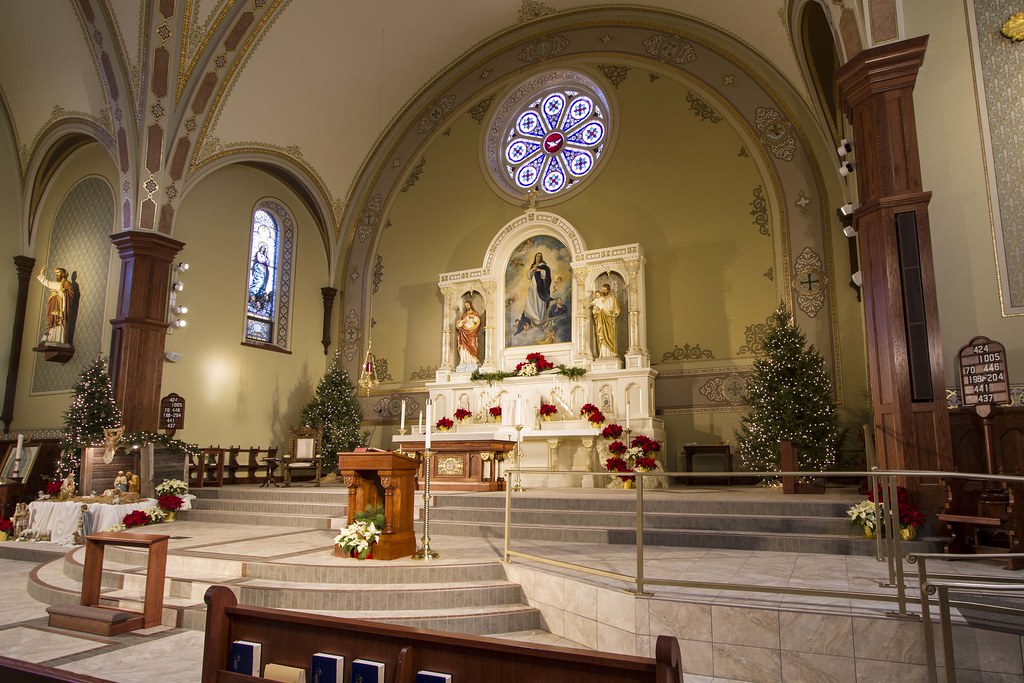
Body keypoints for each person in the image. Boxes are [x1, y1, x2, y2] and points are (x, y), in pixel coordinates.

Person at [514, 252, 552, 335]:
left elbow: (547, 274)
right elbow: (529, 276)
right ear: (535, 257)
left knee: (539, 300)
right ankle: (532, 317)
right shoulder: (533, 266)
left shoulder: (543, 266)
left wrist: (540, 270)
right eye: (537, 256)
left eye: (539, 256)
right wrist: (532, 270)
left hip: (540, 287)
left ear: (541, 257)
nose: (538, 257)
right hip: (533, 286)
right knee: (531, 300)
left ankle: (539, 318)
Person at [37, 265, 74, 344]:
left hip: (61, 307)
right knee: (52, 320)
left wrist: (60, 292)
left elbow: (70, 294)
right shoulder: (55, 284)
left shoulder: (66, 283)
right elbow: (47, 282)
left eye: (58, 272)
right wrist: (41, 273)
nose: (57, 274)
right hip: (53, 305)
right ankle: (52, 338)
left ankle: (59, 339)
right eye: (56, 273)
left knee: (59, 321)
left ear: (63, 273)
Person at [591, 283, 620, 357]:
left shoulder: (612, 298)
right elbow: (594, 310)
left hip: (609, 320)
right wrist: (596, 311)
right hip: (601, 319)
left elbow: (616, 309)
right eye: (602, 290)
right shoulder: (599, 299)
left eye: (605, 290)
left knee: (610, 336)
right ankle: (603, 354)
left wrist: (614, 313)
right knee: (602, 336)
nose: (603, 291)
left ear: (608, 290)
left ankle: (611, 352)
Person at [455, 300, 481, 368]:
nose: (466, 306)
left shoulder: (475, 313)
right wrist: (461, 323)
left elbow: (478, 321)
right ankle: (464, 361)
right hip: (464, 332)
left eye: (467, 305)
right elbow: (460, 322)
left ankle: (473, 360)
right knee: (463, 347)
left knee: (472, 345)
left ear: (470, 305)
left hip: (472, 332)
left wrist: (472, 317)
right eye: (465, 305)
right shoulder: (464, 314)